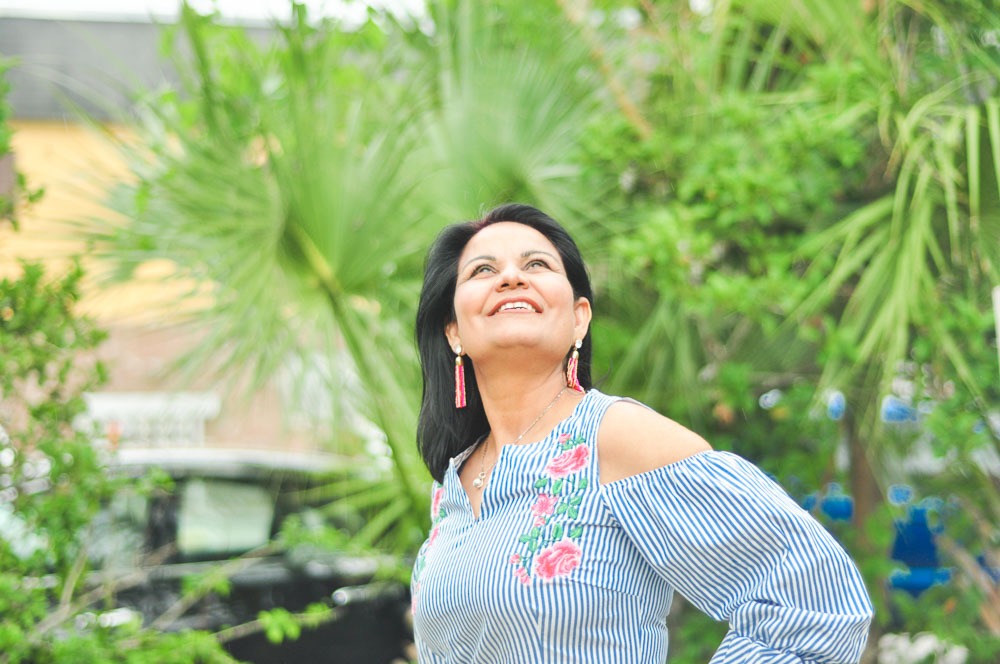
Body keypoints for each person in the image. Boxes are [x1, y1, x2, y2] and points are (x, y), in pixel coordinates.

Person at [411, 203, 874, 663]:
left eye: (537, 264)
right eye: (482, 270)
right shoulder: (454, 480)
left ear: (580, 318)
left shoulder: (615, 437)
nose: (511, 277)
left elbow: (818, 603)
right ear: (454, 333)